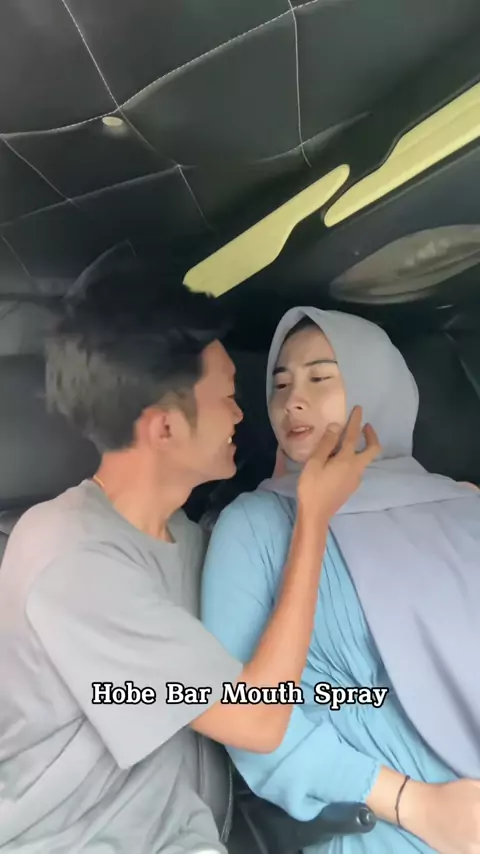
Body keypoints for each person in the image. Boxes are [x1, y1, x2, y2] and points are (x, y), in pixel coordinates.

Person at [0, 261, 379, 854]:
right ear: (165, 429)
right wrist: (312, 518)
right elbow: (258, 719)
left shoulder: (185, 537)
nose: (241, 415)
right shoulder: (72, 561)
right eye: (228, 397)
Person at [201, 306, 480, 854]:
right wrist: (416, 805)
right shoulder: (255, 524)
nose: (291, 401)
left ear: (376, 386)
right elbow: (245, 715)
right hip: (394, 827)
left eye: (320, 378)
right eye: (280, 384)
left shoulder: (461, 504)